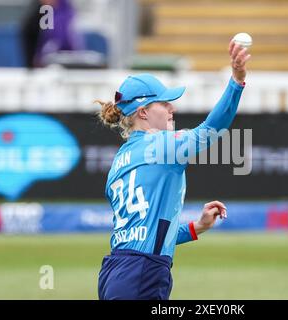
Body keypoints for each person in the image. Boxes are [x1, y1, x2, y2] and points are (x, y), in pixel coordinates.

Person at [96, 39, 251, 300]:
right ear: (143, 112)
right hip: (142, 273)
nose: (172, 108)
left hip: (115, 272)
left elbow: (143, 234)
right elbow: (210, 130)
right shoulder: (160, 146)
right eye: (164, 103)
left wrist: (196, 227)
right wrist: (237, 81)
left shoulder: (119, 160)